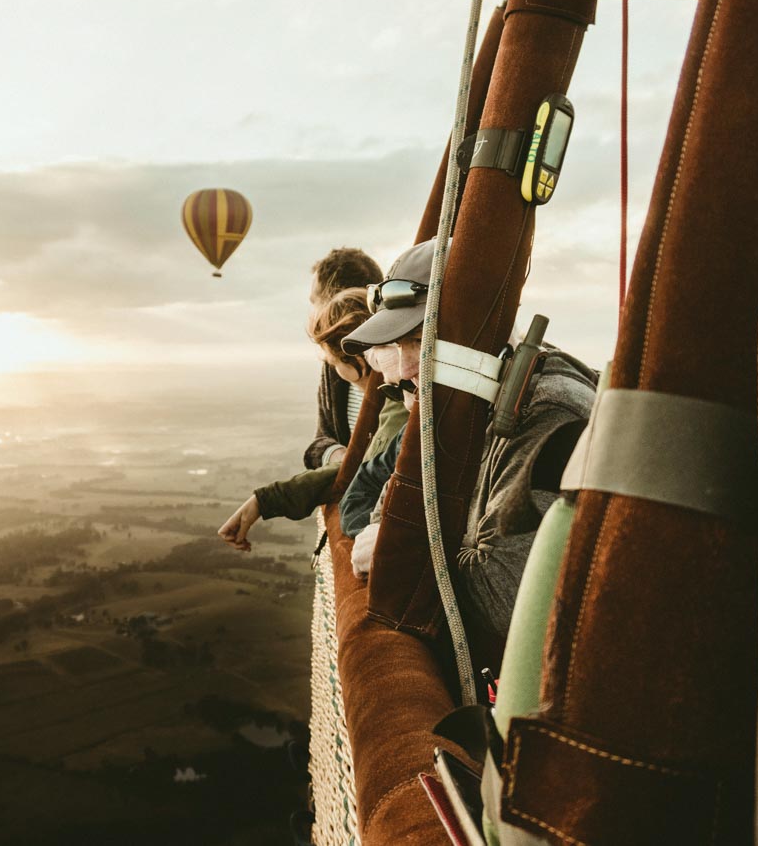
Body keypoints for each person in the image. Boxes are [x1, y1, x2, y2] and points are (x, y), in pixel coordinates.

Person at [339, 238, 597, 640]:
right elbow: (384, 510)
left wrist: (400, 555)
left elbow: (505, 604)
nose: (403, 368)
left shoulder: (548, 414)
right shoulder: (457, 409)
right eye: (397, 344)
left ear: (476, 334)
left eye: (421, 341)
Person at [217, 289, 409, 552]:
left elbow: (362, 470)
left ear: (354, 359)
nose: (333, 372)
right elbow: (324, 443)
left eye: (332, 362)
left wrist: (266, 500)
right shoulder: (382, 394)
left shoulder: (399, 399)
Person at [304, 248, 384, 471]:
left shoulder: (398, 369)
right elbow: (320, 441)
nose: (313, 311)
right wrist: (336, 456)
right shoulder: (334, 365)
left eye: (315, 301)